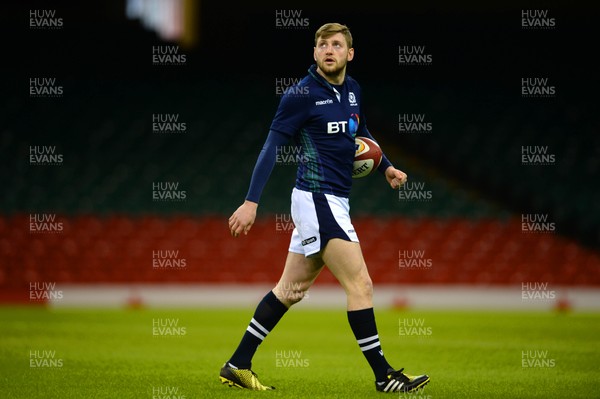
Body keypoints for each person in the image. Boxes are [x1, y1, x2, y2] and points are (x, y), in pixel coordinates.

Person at [219, 22, 430, 393]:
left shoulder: (352, 90)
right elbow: (271, 148)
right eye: (321, 44)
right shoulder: (300, 95)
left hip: (332, 200)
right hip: (317, 198)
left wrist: (387, 166)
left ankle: (237, 364)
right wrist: (251, 202)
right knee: (361, 284)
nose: (328, 50)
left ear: (350, 54)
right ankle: (384, 376)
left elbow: (359, 132)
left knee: (291, 289)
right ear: (314, 53)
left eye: (336, 44)